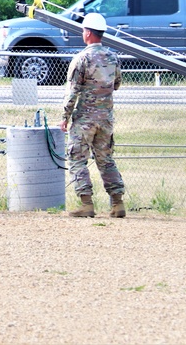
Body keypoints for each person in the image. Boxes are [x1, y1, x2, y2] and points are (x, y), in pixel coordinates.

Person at [60, 12, 126, 218]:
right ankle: (117, 203)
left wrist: (65, 117)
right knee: (106, 159)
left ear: (87, 33)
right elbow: (116, 84)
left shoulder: (82, 58)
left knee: (77, 158)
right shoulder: (113, 57)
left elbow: (73, 91)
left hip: (85, 119)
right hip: (106, 119)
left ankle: (86, 203)